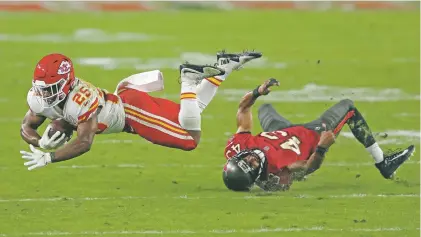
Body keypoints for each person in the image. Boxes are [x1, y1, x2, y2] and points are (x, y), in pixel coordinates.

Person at [20, 51, 262, 171]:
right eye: (42, 88)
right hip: (127, 102)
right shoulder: (40, 98)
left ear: (67, 81)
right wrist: (39, 141)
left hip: (132, 112)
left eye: (51, 87)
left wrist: (51, 157)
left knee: (190, 138)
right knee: (191, 111)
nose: (46, 93)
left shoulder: (79, 100)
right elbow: (27, 126)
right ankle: (225, 65)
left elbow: (84, 142)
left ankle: (188, 79)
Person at [222, 78, 415, 191]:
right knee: (348, 107)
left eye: (244, 158)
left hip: (278, 131)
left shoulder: (238, 147)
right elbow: (307, 167)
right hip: (311, 135)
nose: (250, 157)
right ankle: (383, 163)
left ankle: (266, 104)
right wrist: (321, 148)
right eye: (251, 164)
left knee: (264, 107)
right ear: (256, 173)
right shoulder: (279, 168)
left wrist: (257, 91)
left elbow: (243, 108)